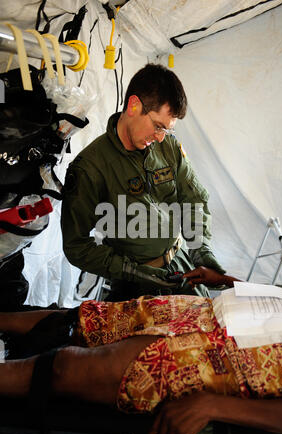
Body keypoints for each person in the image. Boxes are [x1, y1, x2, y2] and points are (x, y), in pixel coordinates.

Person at [1, 289, 282, 434]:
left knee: (68, 369)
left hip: (217, 366)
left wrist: (216, 406)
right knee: (82, 320)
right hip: (217, 312)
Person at [61, 63, 227, 301]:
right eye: (158, 126)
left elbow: (194, 198)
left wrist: (201, 248)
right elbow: (77, 246)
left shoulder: (167, 146)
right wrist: (133, 271)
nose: (160, 137)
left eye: (167, 130)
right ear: (133, 105)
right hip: (133, 286)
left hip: (181, 268)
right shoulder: (90, 166)